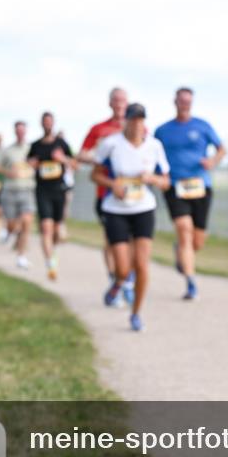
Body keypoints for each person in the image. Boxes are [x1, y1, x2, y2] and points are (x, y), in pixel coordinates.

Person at [91, 103, 170, 332]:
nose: (137, 124)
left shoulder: (154, 146)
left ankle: (136, 313)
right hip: (116, 210)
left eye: (141, 119)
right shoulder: (111, 144)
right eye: (133, 119)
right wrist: (112, 184)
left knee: (142, 264)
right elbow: (95, 175)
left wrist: (152, 179)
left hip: (144, 208)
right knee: (123, 268)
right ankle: (118, 283)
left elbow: (166, 182)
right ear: (125, 120)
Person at [154, 87, 226, 300]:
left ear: (191, 103)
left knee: (197, 240)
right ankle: (191, 282)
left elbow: (222, 148)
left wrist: (212, 161)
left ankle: (182, 254)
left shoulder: (202, 126)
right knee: (184, 228)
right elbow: (154, 155)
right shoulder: (162, 131)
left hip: (201, 186)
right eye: (181, 101)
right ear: (174, 102)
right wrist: (159, 176)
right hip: (175, 186)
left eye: (188, 102)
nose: (184, 105)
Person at [79, 87, 134, 305]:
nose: (120, 104)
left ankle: (127, 279)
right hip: (106, 193)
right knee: (112, 240)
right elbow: (82, 154)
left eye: (123, 100)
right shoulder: (99, 129)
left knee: (130, 241)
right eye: (116, 100)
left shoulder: (137, 127)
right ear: (110, 103)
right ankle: (116, 280)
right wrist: (100, 159)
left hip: (133, 195)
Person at [28, 112, 75, 280]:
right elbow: (29, 164)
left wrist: (62, 159)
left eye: (50, 122)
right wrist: (32, 165)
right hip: (42, 190)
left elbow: (73, 163)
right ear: (41, 124)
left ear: (53, 123)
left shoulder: (61, 143)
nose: (47, 124)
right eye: (45, 122)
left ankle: (53, 252)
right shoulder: (35, 146)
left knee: (56, 230)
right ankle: (50, 263)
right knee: (46, 228)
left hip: (59, 190)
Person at [0, 121, 36, 269]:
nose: (21, 133)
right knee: (13, 225)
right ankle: (10, 232)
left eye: (23, 130)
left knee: (26, 222)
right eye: (18, 130)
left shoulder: (32, 149)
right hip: (10, 191)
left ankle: (21, 257)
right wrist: (8, 172)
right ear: (15, 132)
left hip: (27, 190)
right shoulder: (7, 151)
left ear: (26, 131)